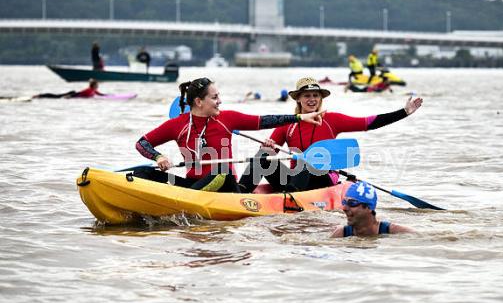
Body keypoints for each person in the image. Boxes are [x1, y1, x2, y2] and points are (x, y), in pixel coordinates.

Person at [134, 77, 324, 193]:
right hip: (192, 185)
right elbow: (142, 143)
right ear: (199, 102)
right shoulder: (177, 125)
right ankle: (176, 199)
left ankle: (183, 202)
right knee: (142, 173)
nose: (220, 101)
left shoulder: (228, 119)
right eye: (215, 97)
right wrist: (158, 157)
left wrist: (300, 117)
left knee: (222, 172)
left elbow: (266, 120)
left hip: (225, 186)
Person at [237, 77, 423, 193]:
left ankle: (292, 200)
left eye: (315, 96)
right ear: (299, 99)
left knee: (307, 162)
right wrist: (266, 147)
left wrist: (403, 112)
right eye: (307, 96)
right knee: (262, 157)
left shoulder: (332, 120)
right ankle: (240, 193)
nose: (311, 100)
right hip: (295, 179)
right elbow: (270, 153)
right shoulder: (289, 123)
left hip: (323, 178)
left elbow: (369, 123)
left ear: (321, 99)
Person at [331, 181, 414, 237]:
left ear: (369, 207)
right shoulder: (341, 233)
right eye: (344, 202)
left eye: (352, 203)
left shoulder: (396, 232)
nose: (344, 208)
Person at [33, 79, 104, 99]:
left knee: (56, 96)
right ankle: (39, 95)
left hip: (73, 94)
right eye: (97, 85)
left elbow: (100, 94)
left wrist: (109, 95)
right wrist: (69, 96)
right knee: (56, 96)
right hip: (71, 94)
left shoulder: (94, 90)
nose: (98, 86)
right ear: (94, 85)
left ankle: (40, 96)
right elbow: (79, 93)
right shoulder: (88, 90)